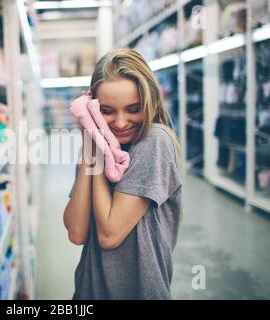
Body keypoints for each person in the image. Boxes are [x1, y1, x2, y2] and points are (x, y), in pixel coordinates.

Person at [63, 48, 182, 299]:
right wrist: (92, 142)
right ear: (92, 107)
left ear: (150, 102)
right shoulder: (98, 147)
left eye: (133, 109)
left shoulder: (154, 141)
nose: (119, 122)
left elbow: (109, 234)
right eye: (106, 111)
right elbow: (76, 232)